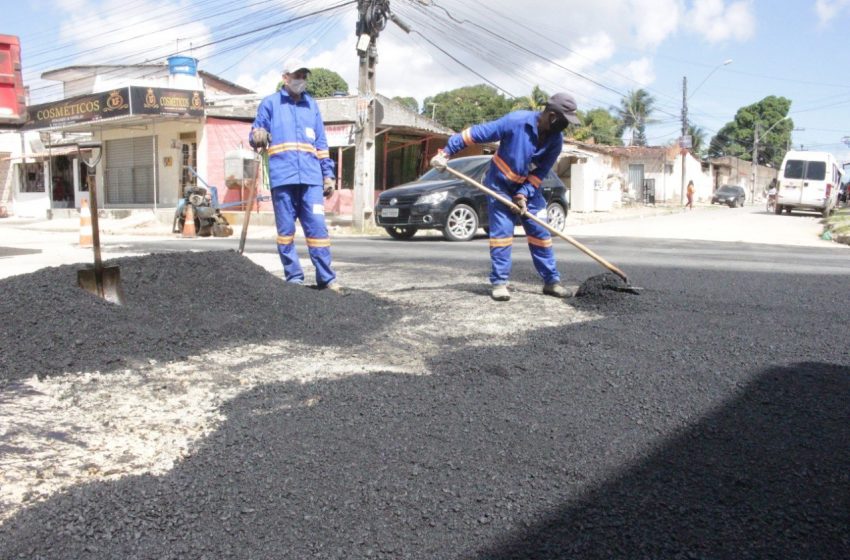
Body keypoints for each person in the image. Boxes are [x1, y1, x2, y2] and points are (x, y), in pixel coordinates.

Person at [430, 93, 580, 302]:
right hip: (499, 186)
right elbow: (474, 134)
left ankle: (551, 282)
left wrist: (523, 195)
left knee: (541, 234)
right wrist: (446, 153)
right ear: (552, 115)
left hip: (528, 190)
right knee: (502, 235)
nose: (566, 125)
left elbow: (541, 171)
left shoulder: (556, 140)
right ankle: (500, 283)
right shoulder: (516, 121)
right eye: (565, 120)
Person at [249, 62, 339, 291]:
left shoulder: (312, 105)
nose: (301, 79)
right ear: (285, 77)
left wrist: (328, 175)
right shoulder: (270, 103)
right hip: (283, 177)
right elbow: (256, 133)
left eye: (303, 75)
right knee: (286, 233)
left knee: (318, 230)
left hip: (311, 179)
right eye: (297, 75)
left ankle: (327, 279)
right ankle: (294, 278)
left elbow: (321, 143)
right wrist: (257, 135)